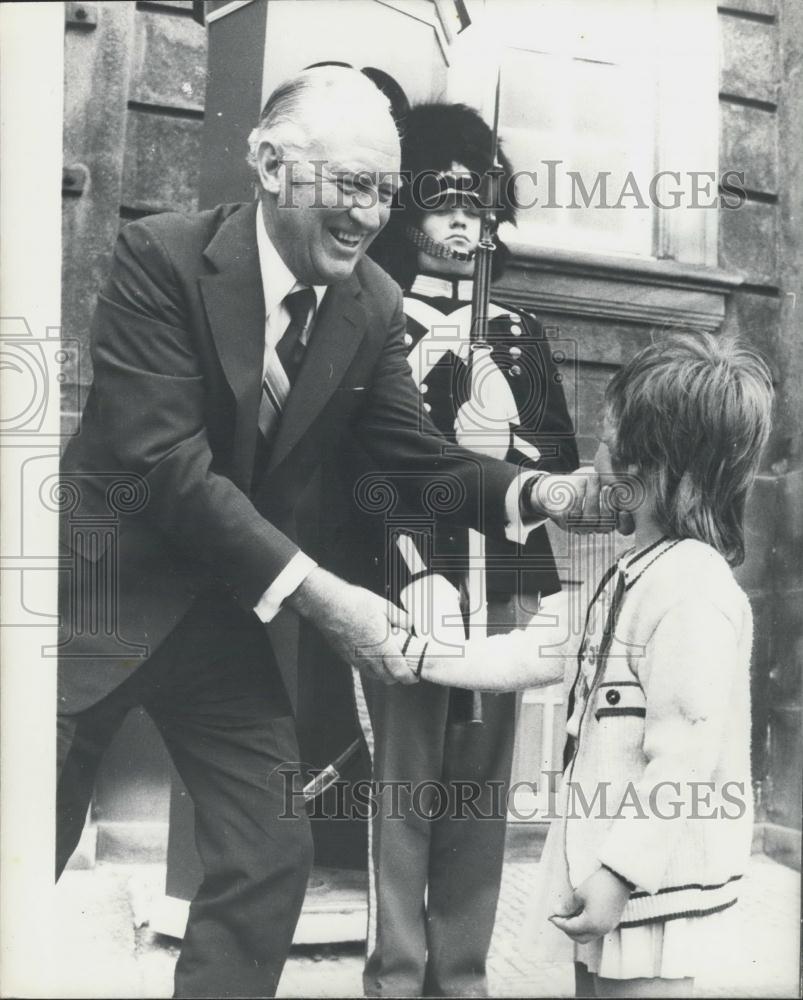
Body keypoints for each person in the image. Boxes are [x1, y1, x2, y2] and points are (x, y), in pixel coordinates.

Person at [55, 67, 594, 999]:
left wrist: (540, 493)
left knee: (269, 857)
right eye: (352, 185)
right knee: (24, 837)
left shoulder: (370, 301)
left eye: (384, 191)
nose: (368, 213)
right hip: (96, 606)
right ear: (270, 164)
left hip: (223, 624)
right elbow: (168, 470)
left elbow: (417, 460)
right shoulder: (159, 256)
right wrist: (323, 595)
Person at [405, 333, 774, 998]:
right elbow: (534, 654)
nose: (593, 461)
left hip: (649, 882)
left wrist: (618, 874)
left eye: (609, 444)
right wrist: (420, 652)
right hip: (606, 868)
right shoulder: (633, 570)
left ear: (660, 471)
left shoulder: (692, 590)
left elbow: (682, 758)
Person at [334, 102, 578, 998]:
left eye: (477, 207)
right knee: (403, 793)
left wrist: (504, 440)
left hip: (504, 584)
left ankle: (461, 974)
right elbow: (356, 469)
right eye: (443, 205)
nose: (463, 223)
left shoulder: (521, 335)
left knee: (478, 794)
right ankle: (395, 975)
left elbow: (557, 467)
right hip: (405, 578)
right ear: (409, 213)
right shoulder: (370, 322)